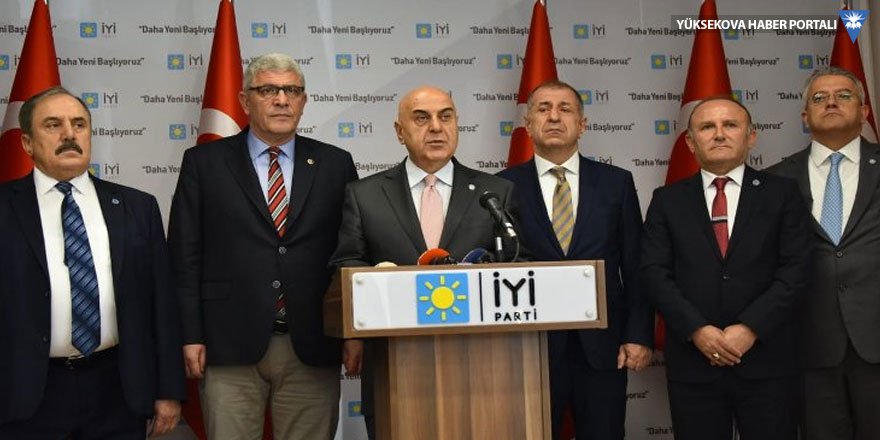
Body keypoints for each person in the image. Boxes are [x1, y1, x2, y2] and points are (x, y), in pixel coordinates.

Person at [168, 53, 360, 440]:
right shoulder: (204, 163)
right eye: (268, 90)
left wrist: (352, 330)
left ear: (304, 100)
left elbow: (351, 253)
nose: (282, 100)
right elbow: (184, 255)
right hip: (228, 342)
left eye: (292, 91)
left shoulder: (335, 164)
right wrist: (190, 334)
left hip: (312, 342)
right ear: (244, 100)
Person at [330, 85, 519, 439]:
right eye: (421, 118)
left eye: (445, 117)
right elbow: (347, 263)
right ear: (399, 131)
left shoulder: (495, 193)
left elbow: (515, 265)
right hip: (393, 362)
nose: (435, 127)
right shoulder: (365, 194)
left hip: (480, 364)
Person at [0, 86, 185, 438]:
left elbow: (161, 305)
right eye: (53, 125)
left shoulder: (137, 208)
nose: (69, 134)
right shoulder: (5, 208)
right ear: (27, 143)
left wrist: (169, 390)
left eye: (79, 124)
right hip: (25, 394)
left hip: (117, 390)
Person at [640, 97, 811, 440]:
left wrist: (750, 328)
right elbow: (653, 272)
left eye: (730, 125)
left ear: (751, 136)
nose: (719, 134)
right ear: (691, 142)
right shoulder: (667, 200)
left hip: (767, 360)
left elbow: (796, 269)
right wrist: (697, 330)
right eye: (707, 127)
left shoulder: (782, 194)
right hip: (694, 362)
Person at [498, 80, 653, 440]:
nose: (554, 117)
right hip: (530, 350)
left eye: (565, 109)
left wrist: (638, 334)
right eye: (543, 109)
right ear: (527, 124)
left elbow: (636, 266)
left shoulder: (616, 183)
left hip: (604, 348)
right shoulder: (502, 187)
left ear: (582, 124)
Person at [766, 67, 880, 440]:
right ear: (805, 116)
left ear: (864, 111)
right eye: (819, 98)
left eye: (844, 95)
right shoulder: (775, 180)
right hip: (808, 343)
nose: (831, 102)